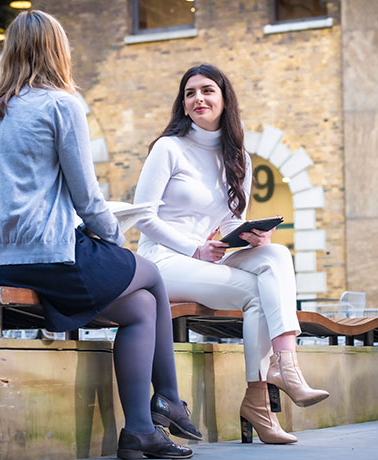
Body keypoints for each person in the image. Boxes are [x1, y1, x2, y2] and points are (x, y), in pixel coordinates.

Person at [0, 11, 199, 459]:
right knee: (150, 275)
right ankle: (168, 397)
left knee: (142, 308)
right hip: (50, 255)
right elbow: (87, 198)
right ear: (58, 51)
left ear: (10, 51)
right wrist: (115, 238)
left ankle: (142, 432)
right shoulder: (60, 103)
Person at [133, 64, 329, 444]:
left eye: (207, 90)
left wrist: (251, 236)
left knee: (275, 257)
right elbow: (143, 216)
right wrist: (194, 247)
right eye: (190, 93)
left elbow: (229, 219)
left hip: (207, 256)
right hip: (164, 259)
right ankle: (267, 389)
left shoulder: (237, 156)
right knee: (255, 293)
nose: (198, 98)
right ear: (183, 103)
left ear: (224, 99)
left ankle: (281, 373)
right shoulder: (168, 148)